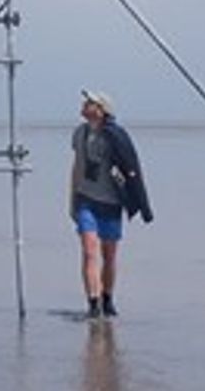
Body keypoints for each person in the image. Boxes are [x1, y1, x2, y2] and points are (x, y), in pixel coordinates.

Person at [70, 89, 152, 319]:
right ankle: (93, 303)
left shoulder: (116, 135)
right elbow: (77, 167)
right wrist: (72, 200)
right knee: (89, 251)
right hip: (86, 200)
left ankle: (107, 298)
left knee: (109, 255)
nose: (84, 106)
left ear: (101, 109)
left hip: (111, 202)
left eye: (90, 103)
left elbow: (131, 167)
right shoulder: (80, 133)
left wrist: (138, 201)